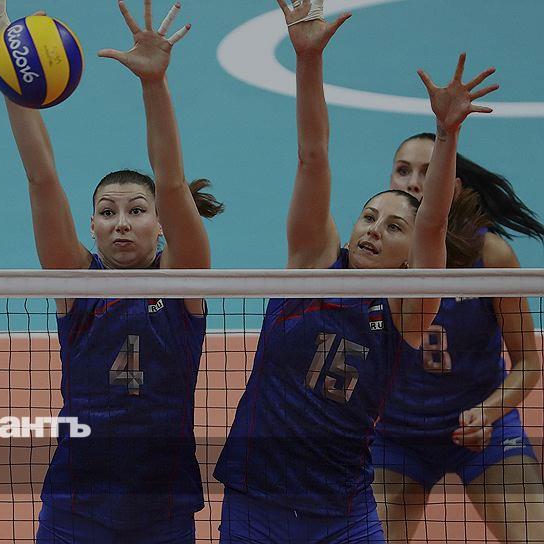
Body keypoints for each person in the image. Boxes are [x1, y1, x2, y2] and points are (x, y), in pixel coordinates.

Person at [212, 1, 499, 541]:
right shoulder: (311, 265)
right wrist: (308, 60)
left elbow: (435, 222)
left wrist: (447, 134)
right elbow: (313, 157)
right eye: (368, 217)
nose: (374, 230)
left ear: (410, 255)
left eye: (394, 227)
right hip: (258, 501)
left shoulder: (407, 311)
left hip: (343, 511)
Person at [0, 1, 221, 541]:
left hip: (163, 505)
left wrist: (154, 84)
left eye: (137, 211)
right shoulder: (75, 280)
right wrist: (8, 64)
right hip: (77, 503)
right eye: (107, 212)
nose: (121, 223)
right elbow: (42, 178)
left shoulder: (183, 281)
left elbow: (171, 181)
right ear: (91, 227)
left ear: (161, 225)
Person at [372, 136, 544, 541]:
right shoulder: (374, 257)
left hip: (484, 430)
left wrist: (488, 411)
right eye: (403, 170)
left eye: (429, 172)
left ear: (454, 185)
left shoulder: (491, 256)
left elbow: (528, 363)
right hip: (396, 438)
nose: (414, 182)